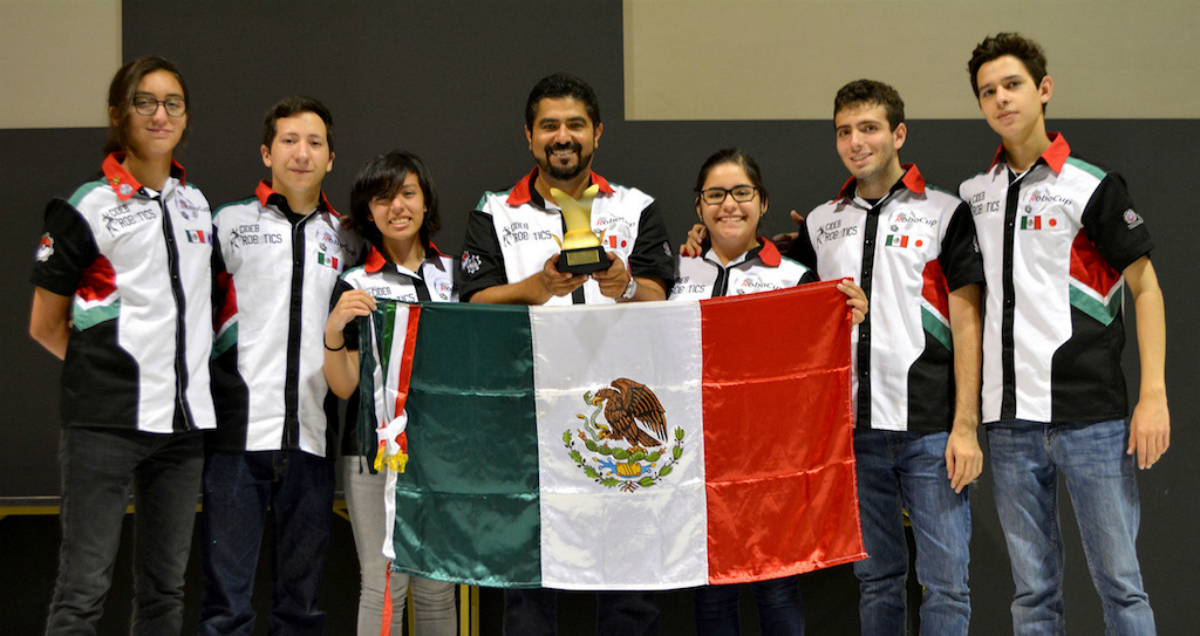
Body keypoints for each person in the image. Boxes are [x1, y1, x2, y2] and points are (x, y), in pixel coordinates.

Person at [684, 79, 985, 635]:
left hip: (929, 429)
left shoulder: (946, 211)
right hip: (851, 434)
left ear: (898, 133)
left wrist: (965, 425)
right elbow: (764, 268)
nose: (856, 141)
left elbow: (969, 322)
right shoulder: (823, 223)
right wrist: (698, 247)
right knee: (877, 581)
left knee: (945, 585)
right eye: (844, 131)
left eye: (869, 128)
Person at [960, 33, 1169, 635]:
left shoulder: (1091, 185)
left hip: (1093, 420)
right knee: (1032, 597)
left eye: (1013, 85)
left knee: (1122, 591)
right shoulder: (975, 196)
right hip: (1008, 427)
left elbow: (1146, 288)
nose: (1001, 99)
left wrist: (1152, 396)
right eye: (988, 92)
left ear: (1044, 90)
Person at [458, 72, 675, 635]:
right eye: (549, 125)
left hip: (621, 421)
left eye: (575, 124)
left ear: (597, 133)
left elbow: (661, 296)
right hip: (528, 421)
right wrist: (535, 289)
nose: (563, 136)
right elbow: (473, 302)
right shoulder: (494, 212)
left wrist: (625, 284)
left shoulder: (636, 207)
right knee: (530, 586)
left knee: (629, 589)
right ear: (529, 137)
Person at [29, 55, 215, 634]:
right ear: (118, 114)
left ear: (185, 117)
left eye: (173, 104)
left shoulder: (196, 204)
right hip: (105, 427)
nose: (160, 114)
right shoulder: (86, 206)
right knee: (83, 590)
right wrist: (110, 377)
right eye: (145, 102)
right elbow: (45, 325)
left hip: (183, 434)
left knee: (164, 592)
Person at [676, 148, 866, 636]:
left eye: (742, 193)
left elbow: (817, 369)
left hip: (772, 467)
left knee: (776, 588)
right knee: (711, 593)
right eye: (715, 195)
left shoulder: (795, 277)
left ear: (763, 203)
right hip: (700, 465)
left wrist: (849, 315)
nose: (729, 205)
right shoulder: (677, 273)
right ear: (698, 208)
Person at [199, 96, 363, 635]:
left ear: (331, 158)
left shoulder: (348, 241)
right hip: (234, 443)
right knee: (227, 610)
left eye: (315, 143)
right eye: (289, 141)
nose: (302, 153)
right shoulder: (226, 224)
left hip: (313, 445)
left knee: (301, 610)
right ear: (266, 152)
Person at [323, 151, 458, 636]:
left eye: (407, 193)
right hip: (373, 454)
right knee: (383, 585)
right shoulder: (356, 283)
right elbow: (344, 385)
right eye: (383, 198)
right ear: (368, 211)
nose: (396, 207)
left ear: (425, 202)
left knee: (437, 587)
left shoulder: (455, 276)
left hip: (442, 455)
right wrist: (335, 327)